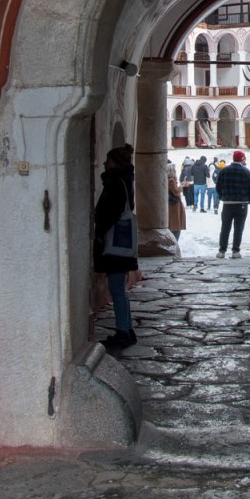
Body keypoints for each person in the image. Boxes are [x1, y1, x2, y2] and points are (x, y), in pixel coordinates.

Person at [91, 143, 137, 350]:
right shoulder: (124, 181)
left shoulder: (116, 183)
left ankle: (123, 331)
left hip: (114, 244)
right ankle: (126, 329)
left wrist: (99, 234)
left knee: (117, 289)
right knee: (119, 289)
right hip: (120, 244)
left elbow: (109, 213)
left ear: (115, 163)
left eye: (108, 160)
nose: (104, 163)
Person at [213, 149, 250, 259]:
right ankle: (235, 251)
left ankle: (222, 251)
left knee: (225, 228)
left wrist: (223, 196)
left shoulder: (224, 171)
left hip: (227, 203)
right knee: (238, 228)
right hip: (241, 204)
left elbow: (218, 186)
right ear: (242, 159)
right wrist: (247, 198)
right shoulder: (246, 172)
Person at [166, 162, 186, 244]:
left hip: (174, 205)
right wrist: (182, 186)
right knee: (175, 225)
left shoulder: (170, 180)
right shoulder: (171, 180)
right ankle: (174, 243)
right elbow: (176, 192)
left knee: (175, 224)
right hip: (174, 205)